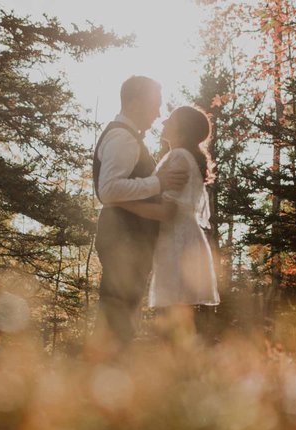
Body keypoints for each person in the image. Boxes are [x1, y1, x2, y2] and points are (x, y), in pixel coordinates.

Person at [91, 76, 187, 350]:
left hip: (128, 237)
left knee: (122, 308)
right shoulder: (122, 137)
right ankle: (104, 375)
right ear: (134, 103)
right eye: (154, 105)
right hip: (123, 237)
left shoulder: (128, 137)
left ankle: (107, 375)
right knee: (117, 309)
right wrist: (159, 182)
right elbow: (108, 190)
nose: (158, 114)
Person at [138, 106, 220, 342]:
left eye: (170, 119)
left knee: (171, 318)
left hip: (177, 244)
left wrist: (124, 205)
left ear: (182, 129)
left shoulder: (179, 157)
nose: (163, 121)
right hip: (181, 240)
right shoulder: (184, 156)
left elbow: (168, 210)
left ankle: (178, 374)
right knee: (177, 318)